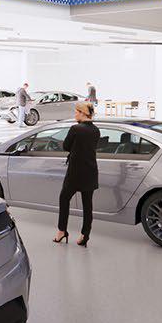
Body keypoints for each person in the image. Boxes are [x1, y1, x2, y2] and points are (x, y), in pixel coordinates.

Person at [53, 102, 99, 247]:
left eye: (76, 112)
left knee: (64, 199)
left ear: (82, 113)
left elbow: (66, 146)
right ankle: (85, 235)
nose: (75, 114)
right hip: (90, 171)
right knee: (87, 205)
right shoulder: (96, 130)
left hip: (75, 172)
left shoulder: (75, 129)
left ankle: (62, 231)